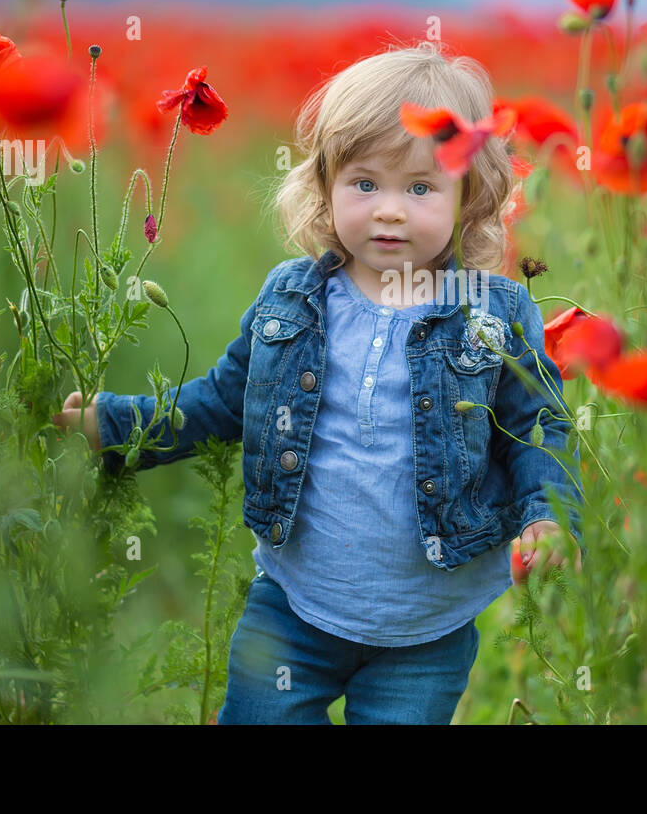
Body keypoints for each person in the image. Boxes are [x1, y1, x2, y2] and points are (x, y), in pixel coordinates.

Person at [54, 40, 583, 724]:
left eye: (420, 188)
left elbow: (537, 426)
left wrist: (549, 515)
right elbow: (219, 402)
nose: (389, 210)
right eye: (365, 183)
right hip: (295, 609)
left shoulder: (494, 313)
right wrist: (118, 425)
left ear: (470, 196)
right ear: (326, 186)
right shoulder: (294, 300)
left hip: (426, 630)